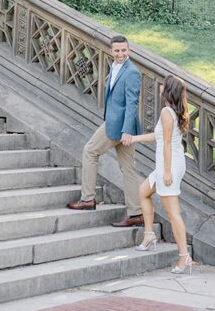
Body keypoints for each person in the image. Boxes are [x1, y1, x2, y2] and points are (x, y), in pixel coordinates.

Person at [67, 34, 143, 227]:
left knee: (90, 151)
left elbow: (132, 104)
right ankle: (135, 213)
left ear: (129, 50)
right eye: (117, 50)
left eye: (124, 50)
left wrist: (126, 131)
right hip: (120, 124)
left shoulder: (132, 72)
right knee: (129, 169)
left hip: (118, 126)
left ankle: (87, 199)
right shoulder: (116, 67)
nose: (120, 54)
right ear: (111, 51)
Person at [126, 73, 192, 275]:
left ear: (168, 89)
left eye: (164, 84)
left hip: (169, 164)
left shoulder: (166, 112)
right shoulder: (172, 112)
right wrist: (133, 139)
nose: (161, 85)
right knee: (143, 192)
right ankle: (149, 235)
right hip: (169, 162)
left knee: (173, 213)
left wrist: (166, 172)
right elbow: (158, 136)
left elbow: (166, 145)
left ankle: (184, 257)